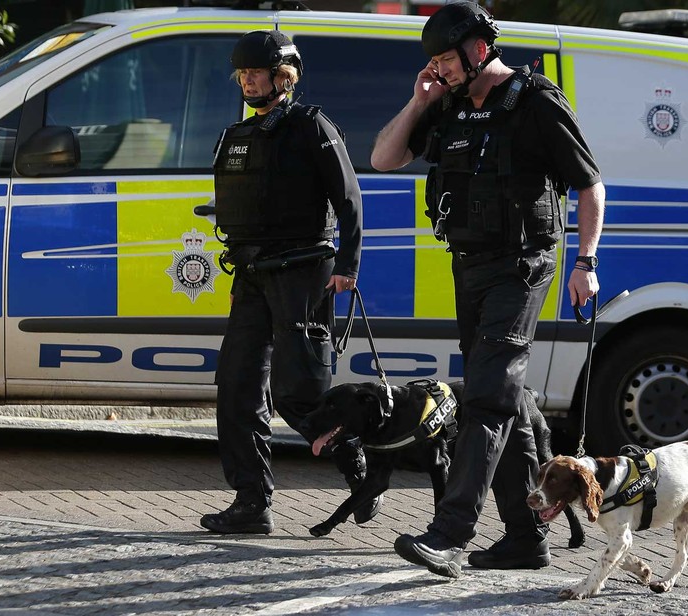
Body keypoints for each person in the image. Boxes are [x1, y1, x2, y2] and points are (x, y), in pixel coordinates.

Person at [370, 2, 605, 577]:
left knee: (485, 397)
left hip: (523, 264)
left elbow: (590, 185)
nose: (442, 69)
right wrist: (420, 99)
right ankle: (526, 539)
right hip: (470, 265)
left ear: (479, 49)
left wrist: (586, 261)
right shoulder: (446, 104)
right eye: (435, 62)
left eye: (447, 59)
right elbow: (383, 158)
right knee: (511, 405)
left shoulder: (535, 102)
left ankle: (450, 534)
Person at [200, 29, 380, 534]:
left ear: (284, 77)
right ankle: (252, 502)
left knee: (297, 392)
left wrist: (348, 265)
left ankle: (355, 463)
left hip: (304, 271)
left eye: (257, 72)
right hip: (253, 273)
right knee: (236, 386)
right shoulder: (238, 134)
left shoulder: (312, 126)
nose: (248, 80)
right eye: (243, 73)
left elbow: (349, 200)